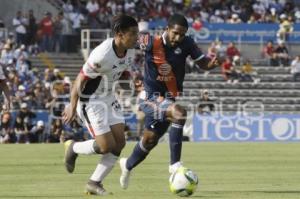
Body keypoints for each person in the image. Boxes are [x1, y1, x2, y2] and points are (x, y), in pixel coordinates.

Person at [119, 14, 219, 189]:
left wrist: (211, 65)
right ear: (167, 29)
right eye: (175, 33)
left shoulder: (187, 43)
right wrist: (129, 69)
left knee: (150, 140)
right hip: (149, 97)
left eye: (182, 34)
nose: (178, 37)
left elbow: (202, 63)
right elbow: (125, 43)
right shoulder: (150, 41)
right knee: (179, 113)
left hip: (168, 99)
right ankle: (175, 165)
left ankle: (126, 165)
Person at [62, 15, 138, 196]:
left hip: (109, 97)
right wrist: (72, 105)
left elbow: (122, 72)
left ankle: (94, 182)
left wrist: (132, 84)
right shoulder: (102, 54)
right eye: (133, 34)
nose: (136, 37)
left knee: (119, 143)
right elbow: (80, 79)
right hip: (91, 101)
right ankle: (73, 148)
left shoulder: (130, 50)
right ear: (120, 35)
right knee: (106, 146)